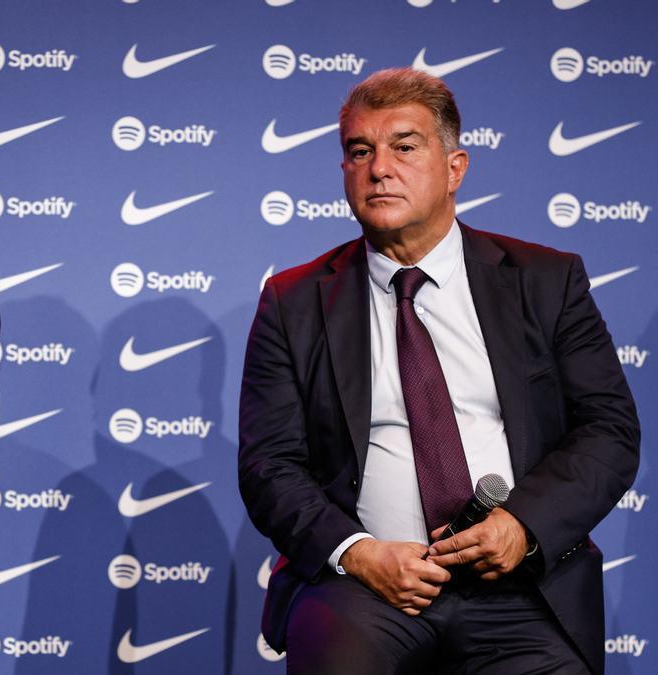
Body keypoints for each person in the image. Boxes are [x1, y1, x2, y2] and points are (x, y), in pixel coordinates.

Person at [238, 68, 639, 674]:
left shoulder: (545, 280)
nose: (379, 168)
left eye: (404, 146)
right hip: (364, 591)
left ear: (455, 168)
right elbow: (270, 464)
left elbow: (608, 431)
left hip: (521, 586)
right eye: (359, 151)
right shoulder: (292, 302)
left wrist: (522, 525)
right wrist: (360, 554)